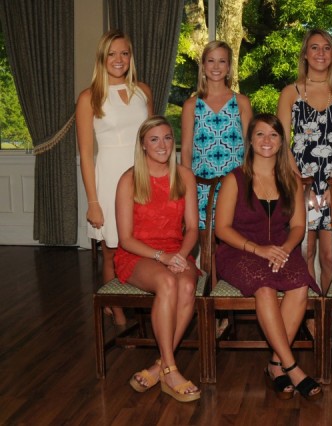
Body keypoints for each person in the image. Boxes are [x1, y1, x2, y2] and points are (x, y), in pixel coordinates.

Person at [214, 114, 323, 400]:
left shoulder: (291, 179)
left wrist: (286, 249)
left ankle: (275, 364)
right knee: (265, 287)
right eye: (260, 134)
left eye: (273, 135)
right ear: (249, 140)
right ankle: (291, 365)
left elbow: (299, 226)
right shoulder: (234, 179)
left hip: (280, 248)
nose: (266, 140)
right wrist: (257, 249)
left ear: (281, 141)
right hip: (239, 250)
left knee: (301, 284)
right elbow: (222, 229)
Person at [114, 116, 200, 402]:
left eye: (167, 138)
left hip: (177, 250)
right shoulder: (129, 179)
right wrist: (163, 258)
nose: (162, 145)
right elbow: (125, 238)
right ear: (143, 145)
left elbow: (192, 228)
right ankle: (172, 370)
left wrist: (182, 256)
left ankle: (159, 367)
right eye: (154, 139)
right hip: (138, 253)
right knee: (167, 282)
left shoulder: (184, 175)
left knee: (187, 286)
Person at [76, 29, 153, 326]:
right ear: (102, 58)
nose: (119, 60)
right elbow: (85, 154)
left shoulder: (143, 91)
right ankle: (116, 308)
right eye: (112, 54)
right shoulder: (89, 97)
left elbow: (152, 139)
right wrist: (93, 201)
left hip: (140, 176)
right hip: (108, 176)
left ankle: (142, 300)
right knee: (111, 249)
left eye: (124, 53)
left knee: (143, 243)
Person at [277, 28, 332, 294]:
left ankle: (329, 318)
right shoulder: (291, 93)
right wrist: (299, 182)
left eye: (326, 48)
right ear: (305, 54)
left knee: (329, 256)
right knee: (306, 251)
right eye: (314, 47)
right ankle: (309, 314)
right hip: (301, 179)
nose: (320, 53)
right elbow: (282, 143)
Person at [181, 40, 252, 236]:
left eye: (222, 61)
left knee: (234, 243)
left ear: (229, 67)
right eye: (211, 61)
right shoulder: (191, 105)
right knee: (207, 245)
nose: (216, 66)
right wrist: (187, 187)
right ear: (203, 66)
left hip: (235, 185)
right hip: (201, 185)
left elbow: (250, 146)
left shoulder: (242, 102)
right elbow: (186, 149)